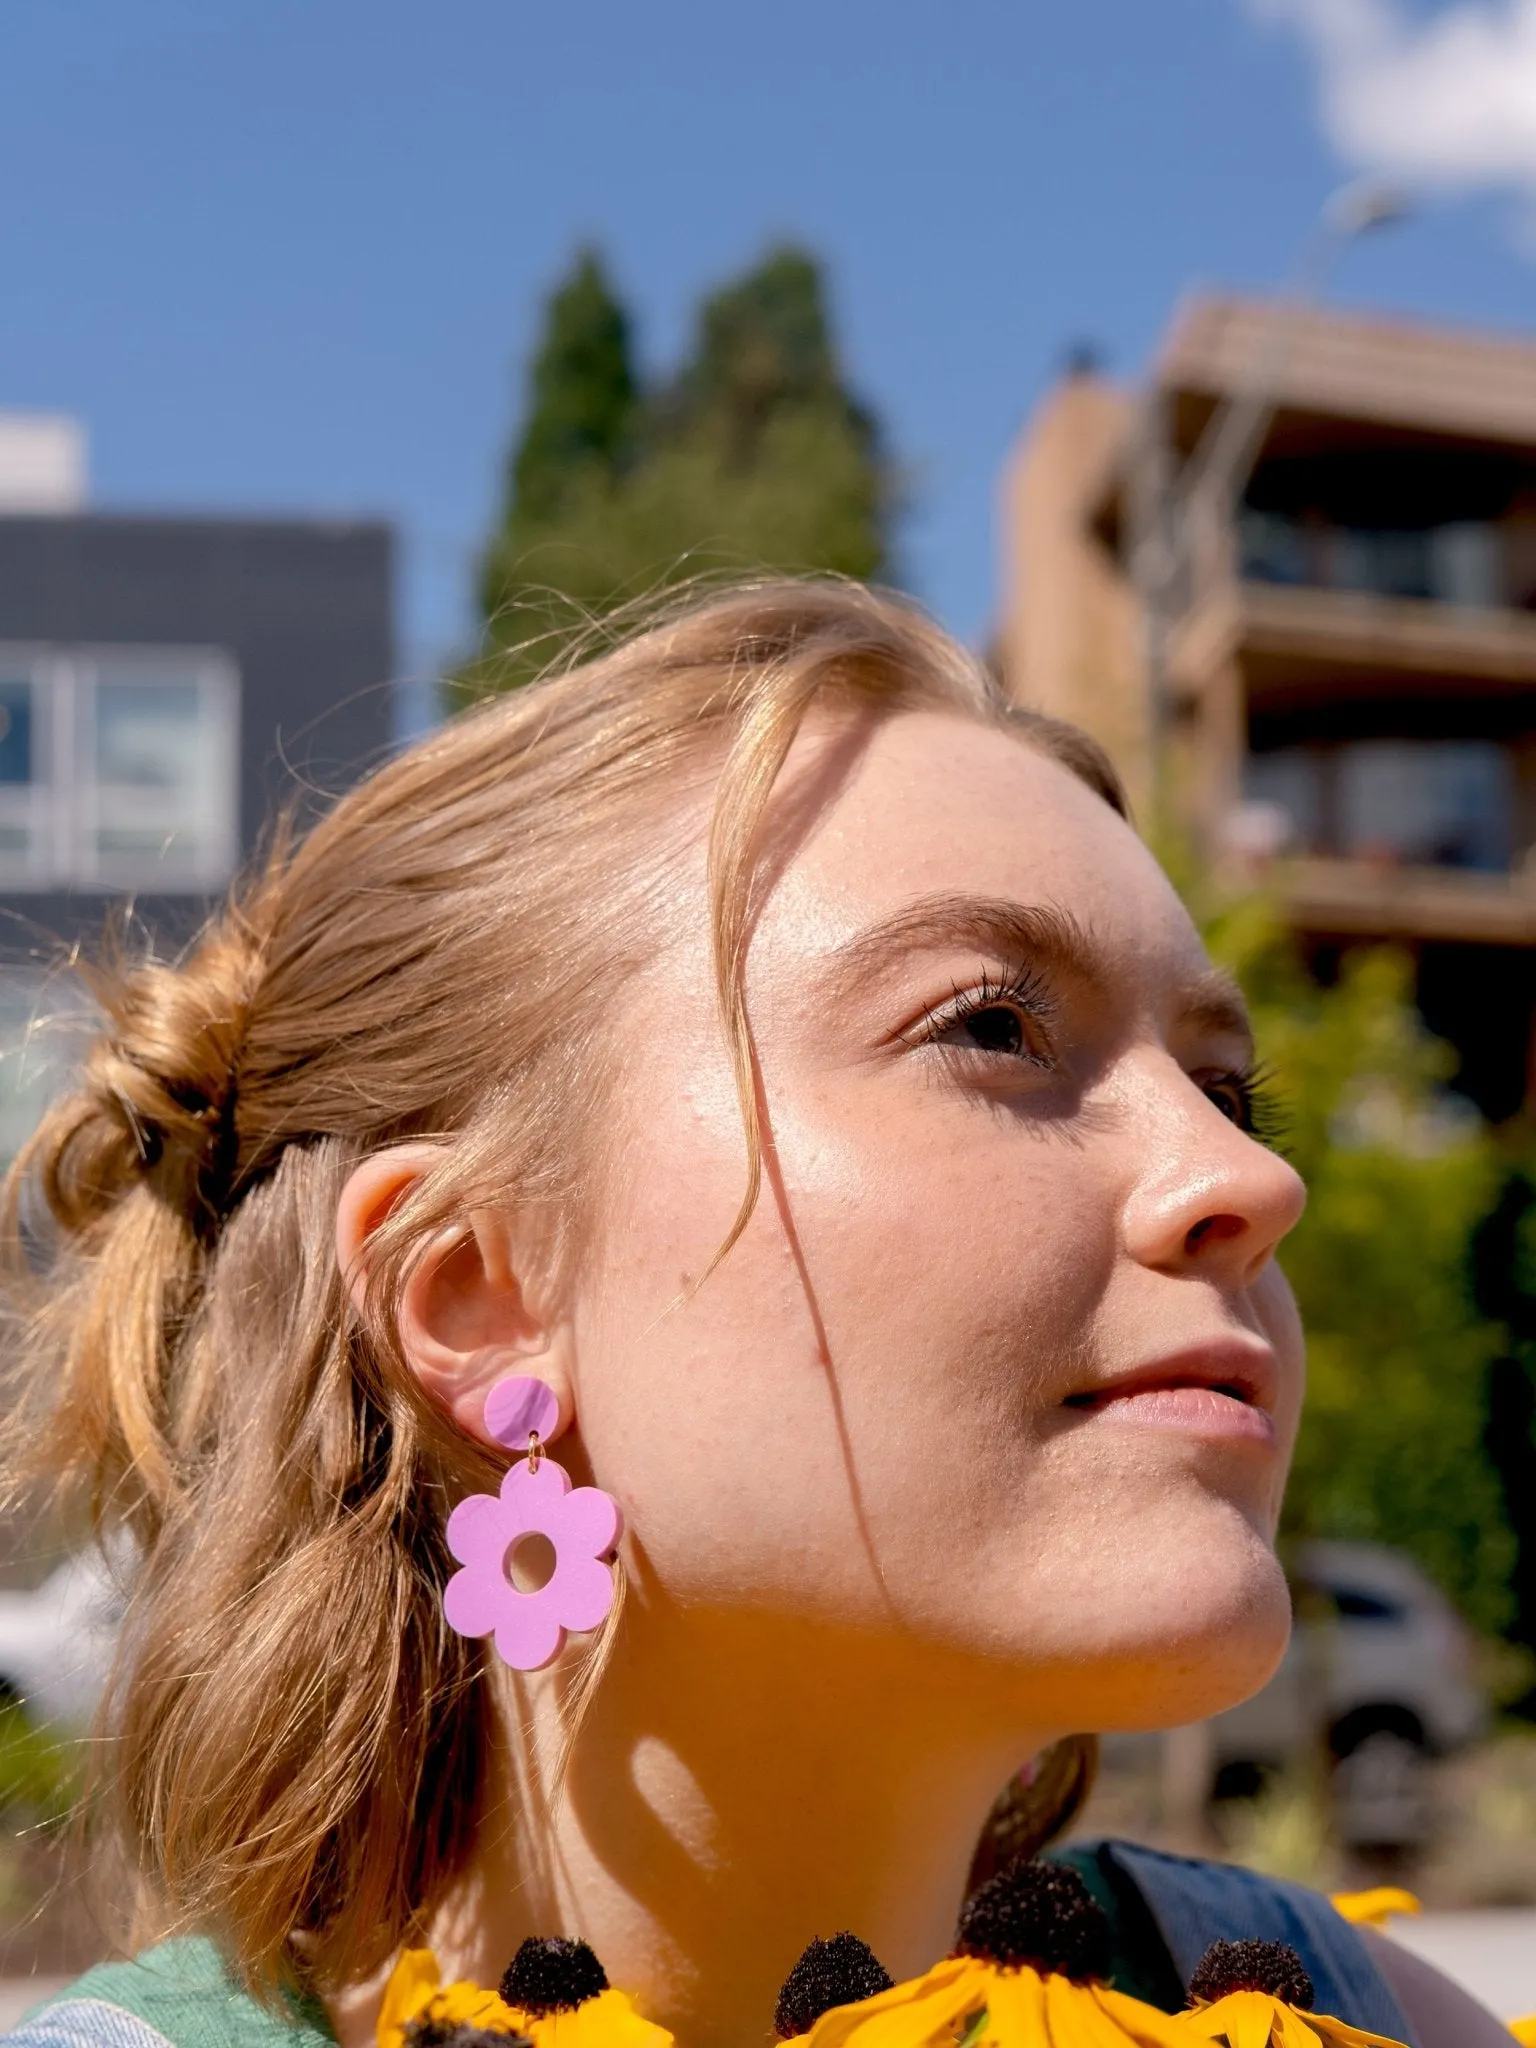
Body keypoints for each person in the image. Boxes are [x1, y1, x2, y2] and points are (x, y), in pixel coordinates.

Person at [0, 581, 1511, 2048]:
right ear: (481, 1294)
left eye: (1227, 1087)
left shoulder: (1355, 2021)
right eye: (993, 1025)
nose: (1248, 1175)